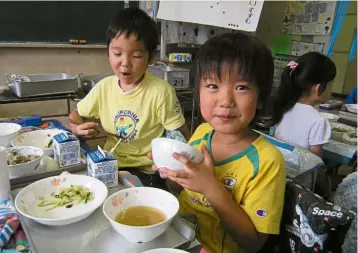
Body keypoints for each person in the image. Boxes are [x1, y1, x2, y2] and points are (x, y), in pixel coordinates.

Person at [150, 33, 286, 253]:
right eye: (213, 86)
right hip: (179, 240)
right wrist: (173, 174)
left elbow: (253, 243)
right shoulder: (203, 132)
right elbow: (182, 191)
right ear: (199, 92)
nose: (225, 101)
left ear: (260, 97)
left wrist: (211, 187)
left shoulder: (268, 161)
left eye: (241, 87)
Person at [68, 8, 190, 184]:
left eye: (136, 55)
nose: (125, 63)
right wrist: (77, 128)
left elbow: (181, 134)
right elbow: (75, 116)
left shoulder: (161, 92)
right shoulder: (104, 87)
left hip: (148, 170)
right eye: (117, 54)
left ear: (150, 56)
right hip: (111, 164)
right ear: (108, 51)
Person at [270, 52, 337, 157]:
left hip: (277, 163)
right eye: (331, 84)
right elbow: (315, 160)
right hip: (300, 171)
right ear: (318, 88)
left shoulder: (283, 106)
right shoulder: (319, 120)